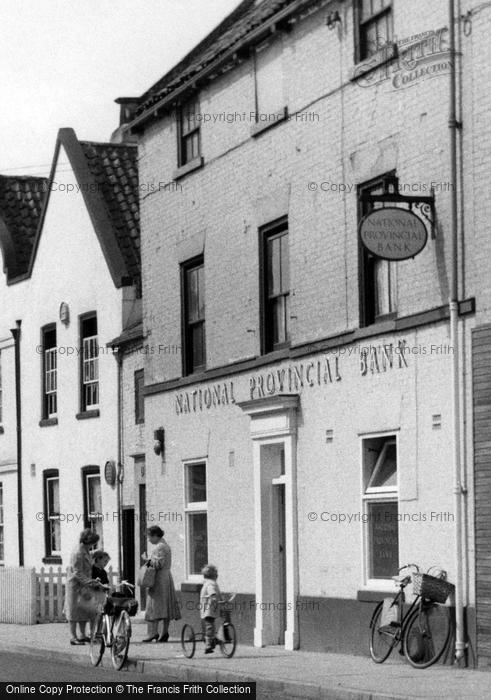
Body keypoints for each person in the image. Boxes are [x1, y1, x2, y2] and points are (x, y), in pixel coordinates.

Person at [141, 526, 181, 642]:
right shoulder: (165, 545)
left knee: (155, 605)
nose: (149, 540)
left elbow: (158, 564)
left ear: (155, 535)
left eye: (149, 537)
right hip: (165, 577)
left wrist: (146, 560)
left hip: (159, 579)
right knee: (165, 605)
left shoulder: (160, 547)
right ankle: (164, 632)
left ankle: (154, 633)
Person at [64, 529, 104, 645]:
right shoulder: (78, 552)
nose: (93, 545)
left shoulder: (85, 549)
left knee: (83, 610)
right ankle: (73, 637)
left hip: (84, 585)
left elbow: (88, 558)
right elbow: (77, 572)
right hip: (75, 585)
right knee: (73, 612)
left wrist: (96, 552)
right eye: (93, 543)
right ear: (87, 541)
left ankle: (82, 635)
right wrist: (89, 582)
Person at [200, 564, 221, 654]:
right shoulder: (210, 584)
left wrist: (222, 599)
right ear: (214, 576)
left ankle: (213, 639)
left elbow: (217, 594)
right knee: (209, 626)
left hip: (211, 608)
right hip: (208, 609)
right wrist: (214, 597)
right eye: (216, 574)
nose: (217, 576)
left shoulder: (209, 583)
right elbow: (212, 592)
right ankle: (208, 644)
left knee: (211, 625)